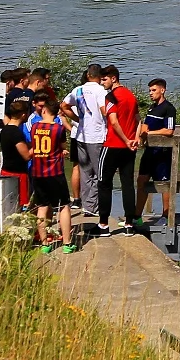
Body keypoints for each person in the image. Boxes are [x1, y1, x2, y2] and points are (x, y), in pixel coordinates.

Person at [23, 90, 75, 253]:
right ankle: (67, 243)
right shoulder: (58, 128)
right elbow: (62, 146)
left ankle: (45, 243)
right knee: (64, 206)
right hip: (55, 172)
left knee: (42, 206)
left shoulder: (34, 127)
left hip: (38, 172)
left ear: (44, 110)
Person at [60, 65, 110, 235]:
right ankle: (95, 206)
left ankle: (87, 206)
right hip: (97, 136)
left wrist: (79, 119)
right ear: (100, 76)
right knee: (99, 172)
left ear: (88, 75)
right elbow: (104, 111)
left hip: (81, 136)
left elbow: (64, 106)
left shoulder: (78, 90)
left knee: (85, 172)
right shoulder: (101, 91)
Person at [97, 65, 141, 232]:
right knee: (127, 184)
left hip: (113, 145)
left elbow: (114, 122)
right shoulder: (131, 95)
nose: (102, 83)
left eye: (104, 79)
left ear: (113, 78)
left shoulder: (111, 96)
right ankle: (129, 223)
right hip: (129, 148)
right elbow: (139, 120)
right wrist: (135, 139)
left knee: (104, 183)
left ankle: (103, 224)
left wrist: (126, 140)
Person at [136, 77, 176, 226]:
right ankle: (136, 216)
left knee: (164, 184)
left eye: (154, 90)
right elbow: (145, 126)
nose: (151, 93)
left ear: (162, 90)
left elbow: (169, 130)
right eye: (150, 91)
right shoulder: (152, 108)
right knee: (141, 181)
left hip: (162, 153)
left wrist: (150, 133)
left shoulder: (169, 108)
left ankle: (165, 216)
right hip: (149, 152)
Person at [0, 95, 32, 221]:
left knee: (8, 204)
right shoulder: (16, 133)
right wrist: (38, 145)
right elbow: (26, 155)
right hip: (17, 174)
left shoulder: (5, 129)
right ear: (23, 115)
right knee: (19, 205)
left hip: (6, 170)